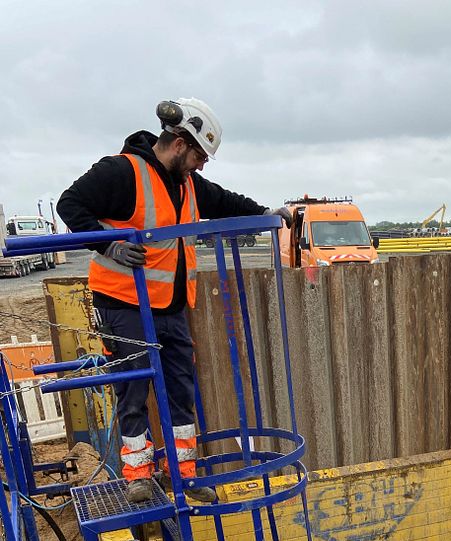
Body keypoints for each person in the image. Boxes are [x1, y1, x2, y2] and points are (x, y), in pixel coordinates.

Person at [57, 97, 291, 504]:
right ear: (180, 143)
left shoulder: (187, 184)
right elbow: (69, 204)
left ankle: (183, 474)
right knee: (133, 390)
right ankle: (138, 477)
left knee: (181, 388)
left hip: (170, 305)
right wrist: (108, 244)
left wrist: (265, 211)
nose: (202, 165)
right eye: (200, 155)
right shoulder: (121, 171)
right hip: (124, 302)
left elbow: (223, 201)